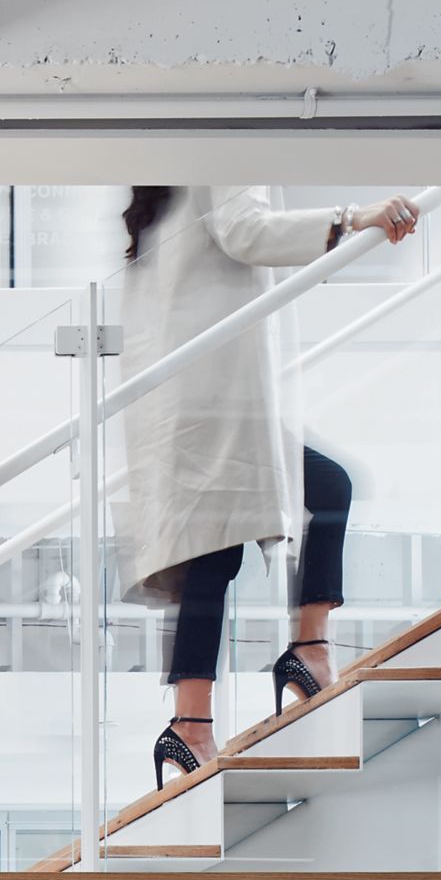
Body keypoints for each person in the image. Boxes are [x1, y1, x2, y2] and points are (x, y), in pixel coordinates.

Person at [116, 186, 420, 791]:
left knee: (224, 542)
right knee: (227, 540)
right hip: (212, 393)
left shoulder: (167, 177)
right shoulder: (222, 140)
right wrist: (349, 218)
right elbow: (245, 230)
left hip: (196, 394)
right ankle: (257, 682)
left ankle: (201, 717)